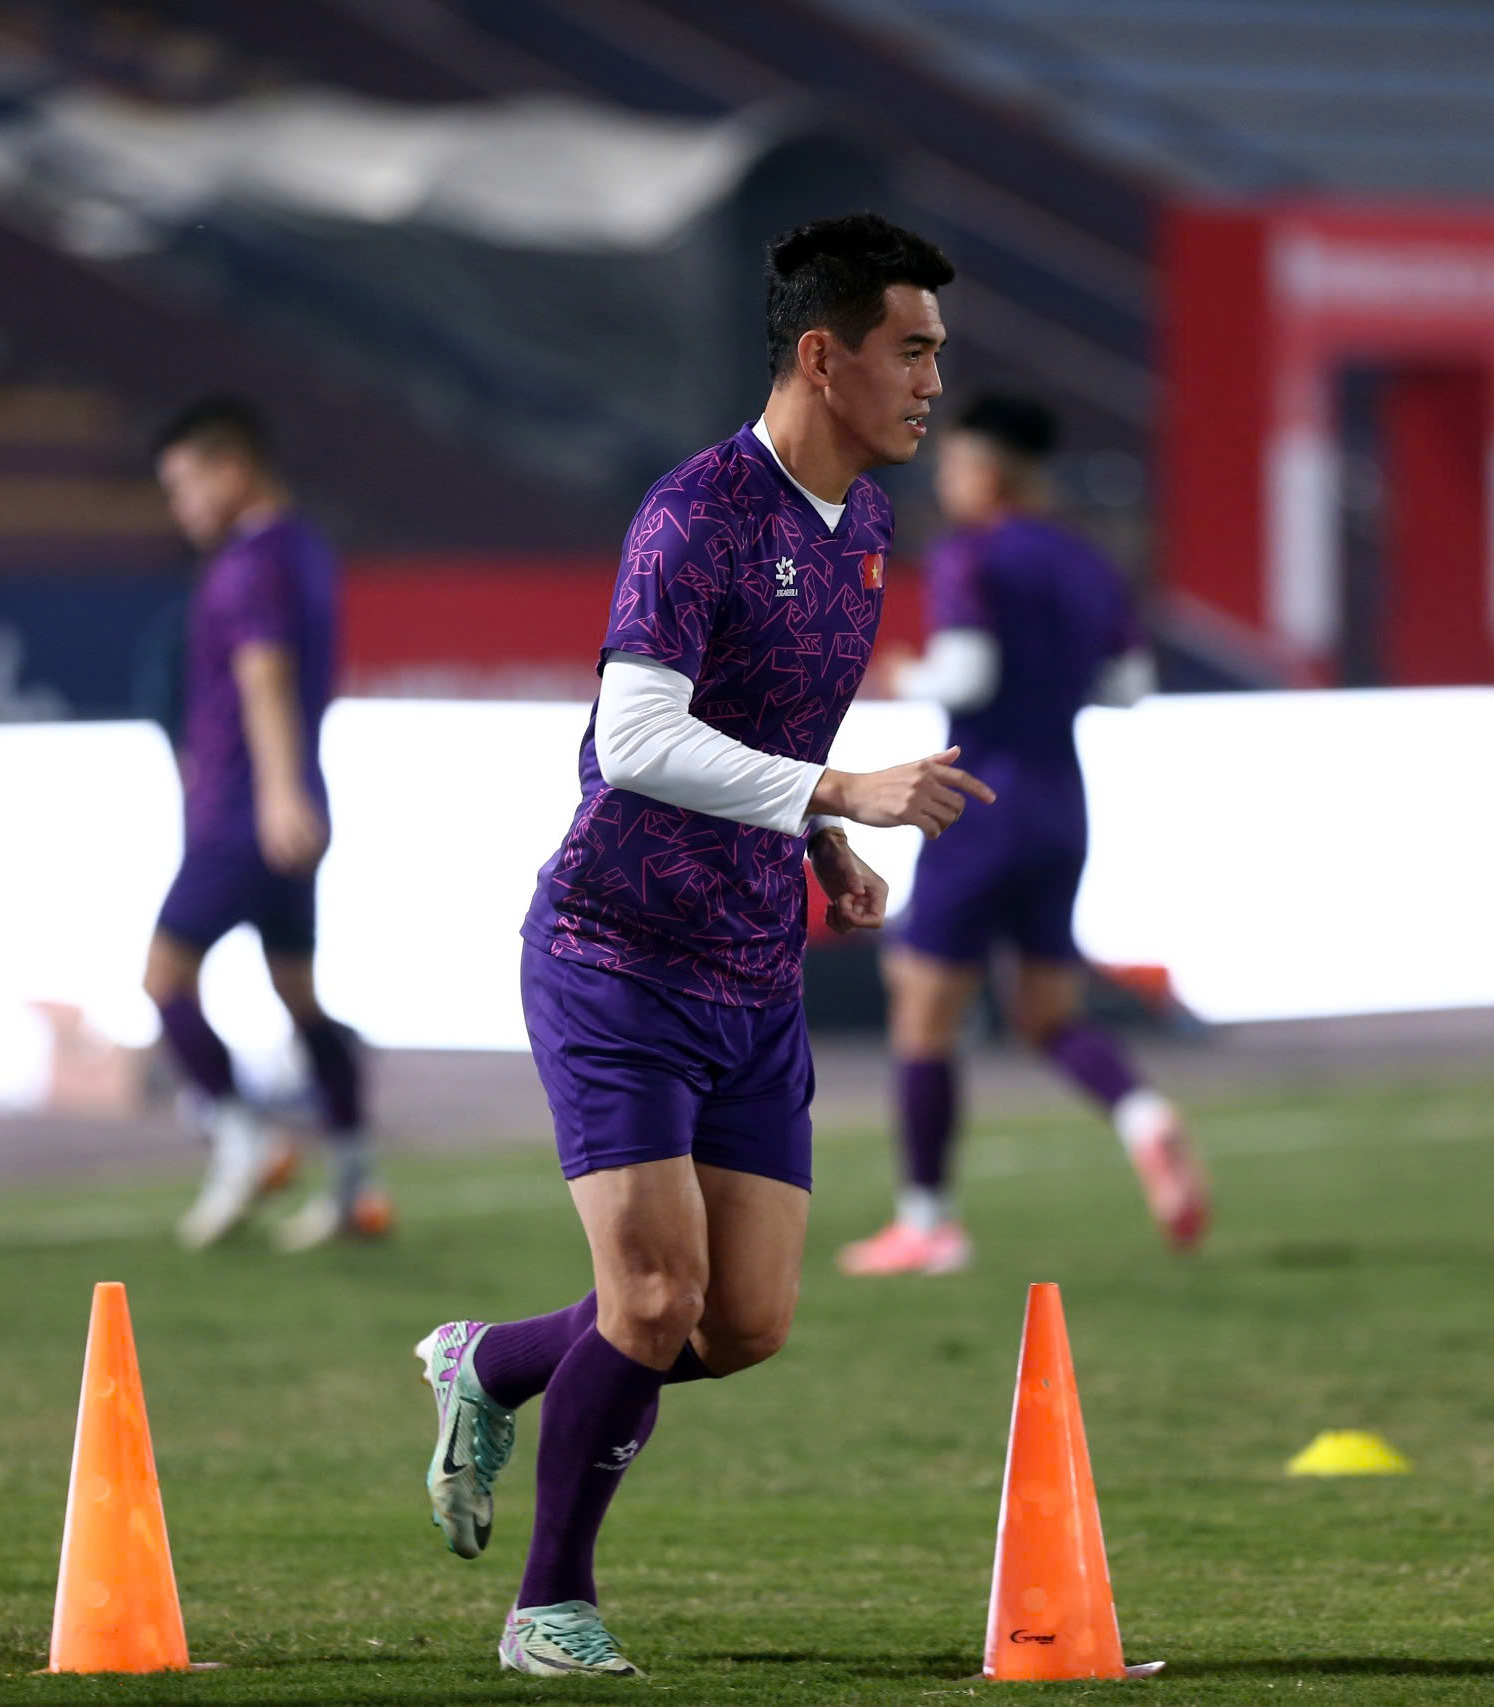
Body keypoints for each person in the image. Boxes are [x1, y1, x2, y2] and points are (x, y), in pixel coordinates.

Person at [412, 213, 992, 1677]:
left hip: (752, 963)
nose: (934, 382)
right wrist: (843, 788)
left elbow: (762, 726)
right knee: (654, 1296)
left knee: (736, 1325)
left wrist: (820, 840)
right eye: (911, 349)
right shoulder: (697, 512)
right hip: (618, 953)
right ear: (823, 352)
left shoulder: (861, 526)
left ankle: (487, 1361)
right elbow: (635, 733)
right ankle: (552, 1603)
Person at [837, 394, 1205, 1277]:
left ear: (989, 474)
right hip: (1061, 801)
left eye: (957, 467)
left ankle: (929, 1222)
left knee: (924, 1008)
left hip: (977, 799)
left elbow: (970, 666)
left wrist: (908, 672)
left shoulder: (975, 553)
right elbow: (1126, 688)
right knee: (1047, 1011)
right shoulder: (1088, 560)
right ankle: (1144, 1118)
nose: (949, 484)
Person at [143, 396, 386, 1252]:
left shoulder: (246, 564)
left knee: (164, 979)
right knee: (298, 995)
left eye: (184, 485)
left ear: (230, 468)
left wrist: (278, 790)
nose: (181, 508)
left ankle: (244, 1140)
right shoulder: (306, 550)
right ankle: (355, 1180)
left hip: (242, 814)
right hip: (285, 806)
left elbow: (264, 673)